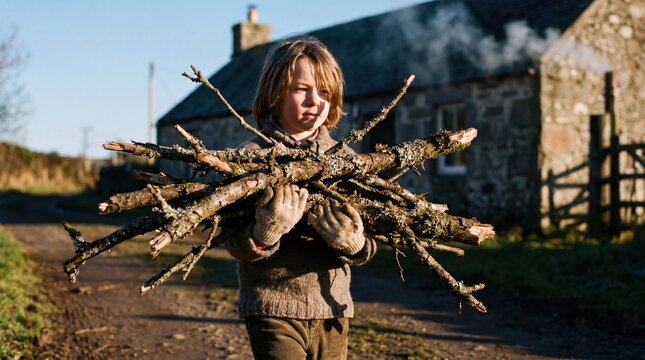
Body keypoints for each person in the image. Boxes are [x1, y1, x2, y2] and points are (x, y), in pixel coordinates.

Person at [225, 36, 377, 359]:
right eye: (302, 89)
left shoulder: (346, 160)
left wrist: (355, 244)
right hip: (271, 307)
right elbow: (230, 240)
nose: (315, 101)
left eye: (324, 92)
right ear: (276, 92)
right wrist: (264, 233)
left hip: (333, 309)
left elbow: (375, 235)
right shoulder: (252, 158)